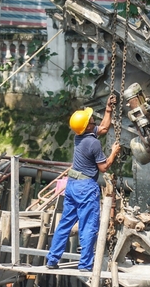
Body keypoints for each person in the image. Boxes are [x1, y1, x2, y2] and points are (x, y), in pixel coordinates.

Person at [46, 95, 122, 272]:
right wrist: (114, 152)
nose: (93, 120)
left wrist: (109, 109)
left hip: (72, 185)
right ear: (87, 126)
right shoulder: (93, 143)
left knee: (65, 223)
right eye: (91, 120)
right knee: (89, 226)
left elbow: (103, 128)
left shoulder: (79, 137)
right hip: (86, 187)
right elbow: (104, 167)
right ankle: (85, 265)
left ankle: (51, 260)